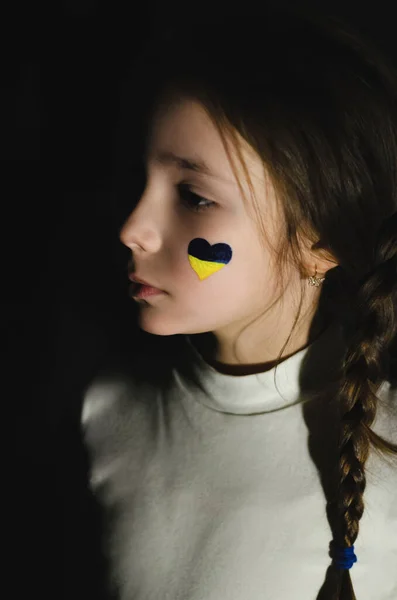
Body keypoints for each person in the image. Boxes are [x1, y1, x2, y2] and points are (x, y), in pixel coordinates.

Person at [81, 7, 397, 600]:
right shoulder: (100, 411)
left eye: (193, 197)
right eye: (140, 180)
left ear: (319, 242)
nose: (133, 228)